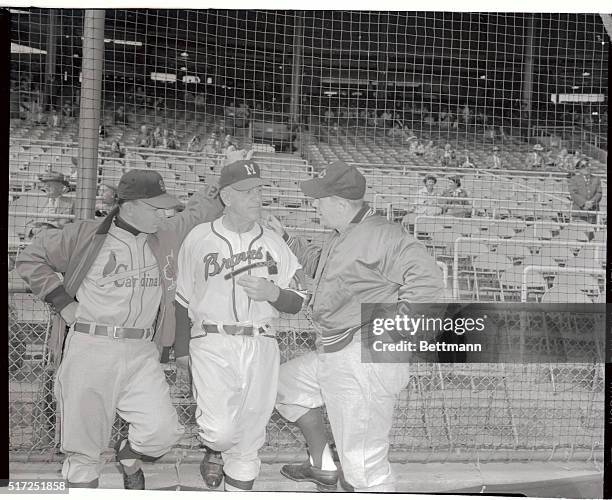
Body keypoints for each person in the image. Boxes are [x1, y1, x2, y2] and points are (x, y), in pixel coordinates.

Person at [16, 170, 223, 490]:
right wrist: (61, 300)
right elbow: (31, 258)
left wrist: (223, 178)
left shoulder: (164, 234)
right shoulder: (86, 235)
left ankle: (128, 454)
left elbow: (197, 214)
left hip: (141, 351)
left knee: (162, 433)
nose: (164, 213)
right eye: (156, 207)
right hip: (91, 346)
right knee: (84, 454)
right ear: (131, 205)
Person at [267, 160, 443, 492]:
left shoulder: (383, 234)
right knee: (283, 386)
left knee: (364, 470)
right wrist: (288, 239)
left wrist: (389, 334)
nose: (315, 206)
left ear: (338, 203)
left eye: (319, 200)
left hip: (363, 356)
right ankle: (322, 465)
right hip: (338, 352)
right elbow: (323, 269)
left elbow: (429, 285)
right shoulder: (344, 234)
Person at [174, 160, 303, 491]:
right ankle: (214, 450)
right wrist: (180, 350)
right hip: (212, 342)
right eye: (247, 192)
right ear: (227, 197)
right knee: (219, 432)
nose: (256, 198)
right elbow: (182, 299)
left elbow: (300, 299)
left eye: (259, 190)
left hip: (262, 343)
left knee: (249, 441)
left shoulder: (275, 241)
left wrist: (274, 293)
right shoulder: (200, 237)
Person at [25, 172, 75, 239]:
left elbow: (76, 225)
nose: (46, 187)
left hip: (60, 239)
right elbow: (28, 224)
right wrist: (35, 230)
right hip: (40, 238)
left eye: (49, 185)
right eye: (45, 184)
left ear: (60, 187)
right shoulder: (37, 202)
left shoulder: (71, 202)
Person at [568, 159, 602, 223]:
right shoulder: (574, 179)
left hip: (593, 212)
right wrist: (584, 203)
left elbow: (599, 193)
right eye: (583, 166)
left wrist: (591, 203)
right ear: (579, 169)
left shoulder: (596, 179)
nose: (586, 168)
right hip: (579, 211)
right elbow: (573, 194)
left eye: (587, 165)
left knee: (592, 231)